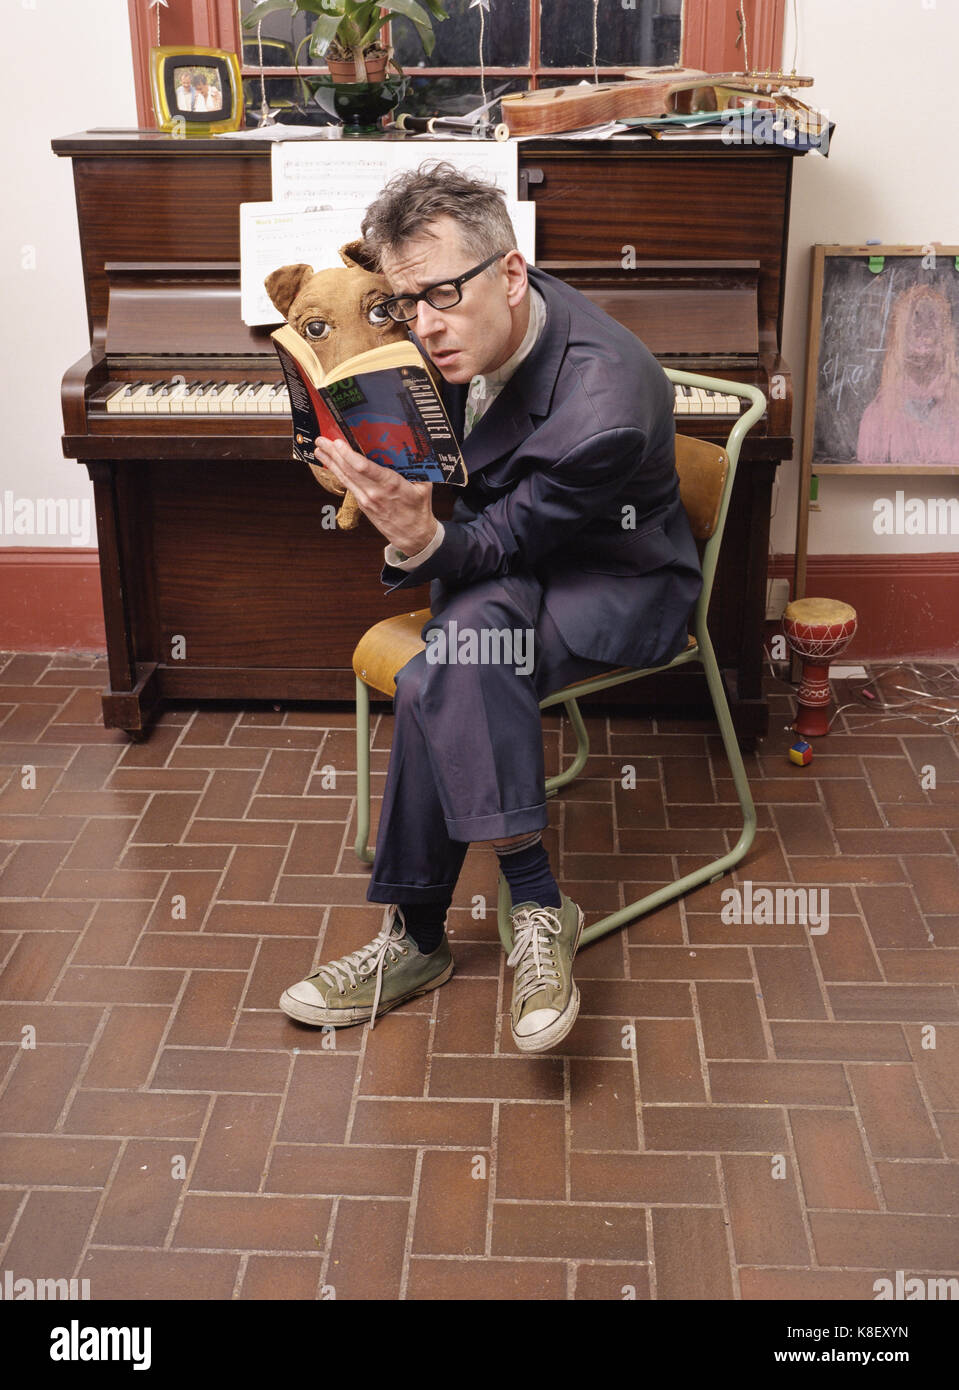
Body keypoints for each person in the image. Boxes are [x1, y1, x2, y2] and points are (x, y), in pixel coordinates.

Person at [279, 162, 702, 1053]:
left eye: (441, 295)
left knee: (448, 667)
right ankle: (519, 916)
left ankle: (435, 932)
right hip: (507, 563)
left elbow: (502, 540)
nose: (423, 327)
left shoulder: (604, 403)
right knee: (460, 654)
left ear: (510, 274)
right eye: (404, 303)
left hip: (616, 581)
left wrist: (415, 533)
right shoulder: (471, 318)